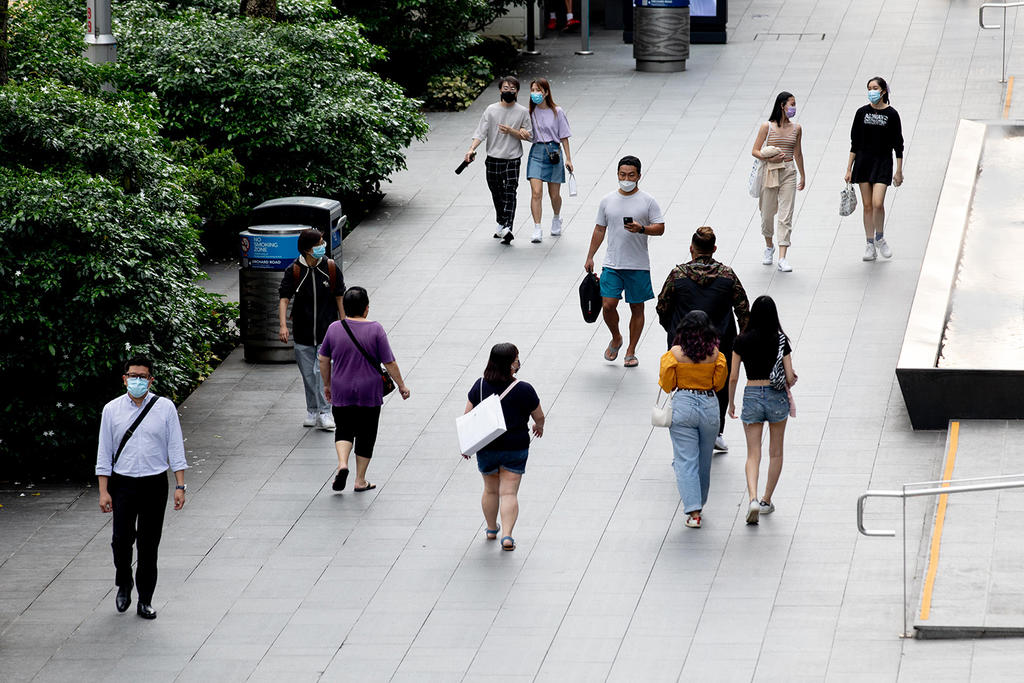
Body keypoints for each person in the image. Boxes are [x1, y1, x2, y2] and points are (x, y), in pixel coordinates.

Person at [96, 356, 187, 620]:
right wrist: (104, 490)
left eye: (142, 376)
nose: (137, 380)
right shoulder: (111, 410)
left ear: (151, 379)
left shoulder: (165, 408)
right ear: (124, 378)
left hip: (154, 483)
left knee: (149, 544)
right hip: (122, 483)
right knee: (121, 541)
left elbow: (175, 448)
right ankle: (124, 582)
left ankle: (145, 599)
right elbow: (104, 452)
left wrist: (180, 485)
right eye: (132, 376)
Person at [656, 226, 749, 453]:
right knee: (719, 387)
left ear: (691, 249)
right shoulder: (727, 276)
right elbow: (744, 310)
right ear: (714, 249)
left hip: (683, 344)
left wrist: (672, 329)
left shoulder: (677, 275)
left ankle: (687, 426)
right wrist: (739, 340)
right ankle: (716, 432)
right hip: (720, 343)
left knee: (684, 384)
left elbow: (662, 306)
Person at [318, 287, 410, 493]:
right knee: (366, 433)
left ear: (345, 307)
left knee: (343, 428)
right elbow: (390, 362)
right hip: (370, 390)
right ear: (366, 308)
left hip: (341, 388)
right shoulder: (376, 329)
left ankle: (343, 463)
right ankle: (360, 480)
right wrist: (402, 385)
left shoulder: (334, 328)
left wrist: (327, 384)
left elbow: (323, 358)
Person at [584, 155, 666, 368]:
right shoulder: (607, 200)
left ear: (639, 175)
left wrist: (642, 229)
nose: (626, 178)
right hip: (612, 264)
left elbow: (660, 228)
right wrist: (590, 255)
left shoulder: (648, 201)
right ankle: (616, 337)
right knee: (608, 305)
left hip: (638, 265)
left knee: (636, 308)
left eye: (631, 175)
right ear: (617, 175)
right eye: (622, 174)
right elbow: (600, 229)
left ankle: (631, 350)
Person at [462, 343, 544, 551]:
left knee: (490, 489)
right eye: (516, 358)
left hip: (487, 446)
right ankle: (507, 535)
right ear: (510, 364)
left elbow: (468, 417)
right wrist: (538, 426)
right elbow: (539, 415)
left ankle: (491, 529)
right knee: (508, 493)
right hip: (515, 446)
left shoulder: (479, 386)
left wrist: (467, 445)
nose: (518, 361)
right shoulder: (524, 389)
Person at [727, 295, 797, 525]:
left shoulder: (741, 340)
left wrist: (731, 403)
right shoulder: (780, 340)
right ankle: (767, 500)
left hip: (752, 394)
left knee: (752, 453)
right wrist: (792, 378)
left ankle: (753, 498)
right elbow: (788, 375)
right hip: (776, 397)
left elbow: (734, 376)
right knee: (775, 452)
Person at [659, 312, 728, 529]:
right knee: (704, 459)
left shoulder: (674, 354)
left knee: (685, 460)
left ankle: (694, 511)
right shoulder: (716, 354)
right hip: (709, 406)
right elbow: (719, 383)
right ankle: (701, 502)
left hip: (683, 405)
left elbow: (667, 384)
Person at [278, 228, 344, 431]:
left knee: (320, 372)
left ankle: (325, 412)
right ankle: (312, 410)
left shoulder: (330, 267)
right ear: (308, 249)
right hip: (303, 332)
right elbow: (284, 298)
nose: (323, 246)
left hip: (327, 332)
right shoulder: (295, 270)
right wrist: (282, 325)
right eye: (319, 243)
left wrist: (344, 322)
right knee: (308, 374)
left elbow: (339, 296)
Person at [465, 76, 532, 244]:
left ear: (517, 91)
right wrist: (472, 149)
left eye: (512, 89)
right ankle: (501, 222)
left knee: (510, 192)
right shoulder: (491, 110)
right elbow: (481, 132)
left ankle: (507, 227)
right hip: (493, 158)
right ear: (500, 90)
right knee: (497, 193)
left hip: (512, 159)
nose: (508, 91)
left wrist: (513, 131)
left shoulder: (522, 112)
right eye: (505, 88)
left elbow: (529, 136)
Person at [845, 76, 904, 261]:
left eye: (875, 87)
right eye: (869, 87)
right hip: (863, 162)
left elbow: (898, 144)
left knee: (878, 203)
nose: (872, 91)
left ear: (883, 91)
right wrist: (848, 168)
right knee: (868, 205)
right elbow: (855, 143)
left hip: (883, 163)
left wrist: (899, 170)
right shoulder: (861, 113)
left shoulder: (892, 114)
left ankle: (880, 237)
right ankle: (869, 243)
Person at [750, 91, 805, 272]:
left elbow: (797, 152)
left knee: (785, 214)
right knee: (766, 214)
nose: (794, 108)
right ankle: (769, 246)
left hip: (789, 171)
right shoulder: (767, 127)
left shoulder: (797, 128)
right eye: (792, 104)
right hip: (770, 171)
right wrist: (769, 159)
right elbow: (755, 150)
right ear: (782, 105)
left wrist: (802, 175)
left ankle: (782, 256)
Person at [526, 77, 574, 243]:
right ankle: (537, 227)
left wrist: (568, 158)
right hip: (537, 153)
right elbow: (528, 134)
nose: (535, 94)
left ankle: (556, 217)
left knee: (554, 195)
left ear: (546, 92)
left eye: (538, 90)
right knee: (536, 193)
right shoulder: (530, 113)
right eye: (532, 90)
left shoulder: (557, 111)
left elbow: (564, 136)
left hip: (554, 153)